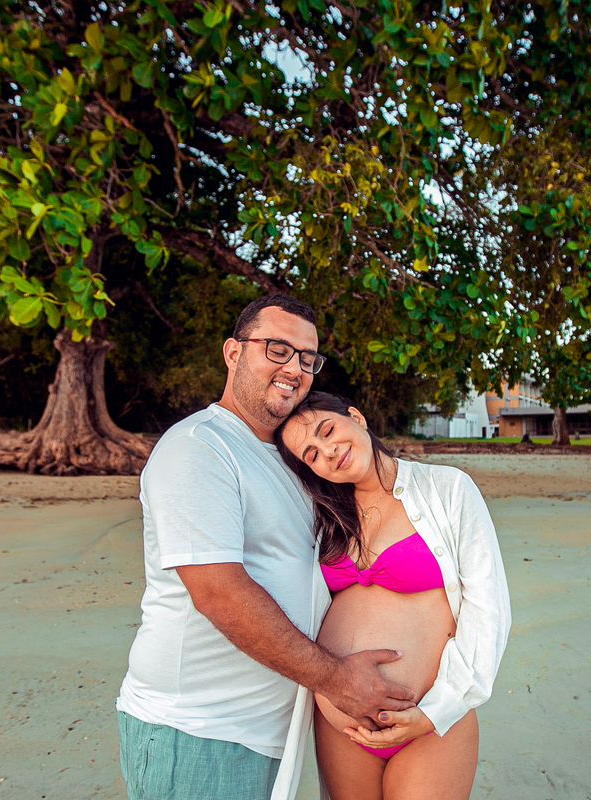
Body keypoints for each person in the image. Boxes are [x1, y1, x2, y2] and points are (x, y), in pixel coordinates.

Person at [116, 295, 417, 800]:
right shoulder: (199, 447)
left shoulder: (295, 461)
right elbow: (218, 591)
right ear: (233, 353)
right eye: (277, 349)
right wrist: (337, 679)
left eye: (307, 358)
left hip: (270, 733)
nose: (294, 369)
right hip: (197, 730)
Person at [275, 391, 511, 800]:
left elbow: (488, 609)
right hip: (342, 723)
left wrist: (433, 713)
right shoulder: (322, 518)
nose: (328, 452)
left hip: (432, 723)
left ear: (356, 416)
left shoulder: (448, 488)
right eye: (311, 455)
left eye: (327, 431)